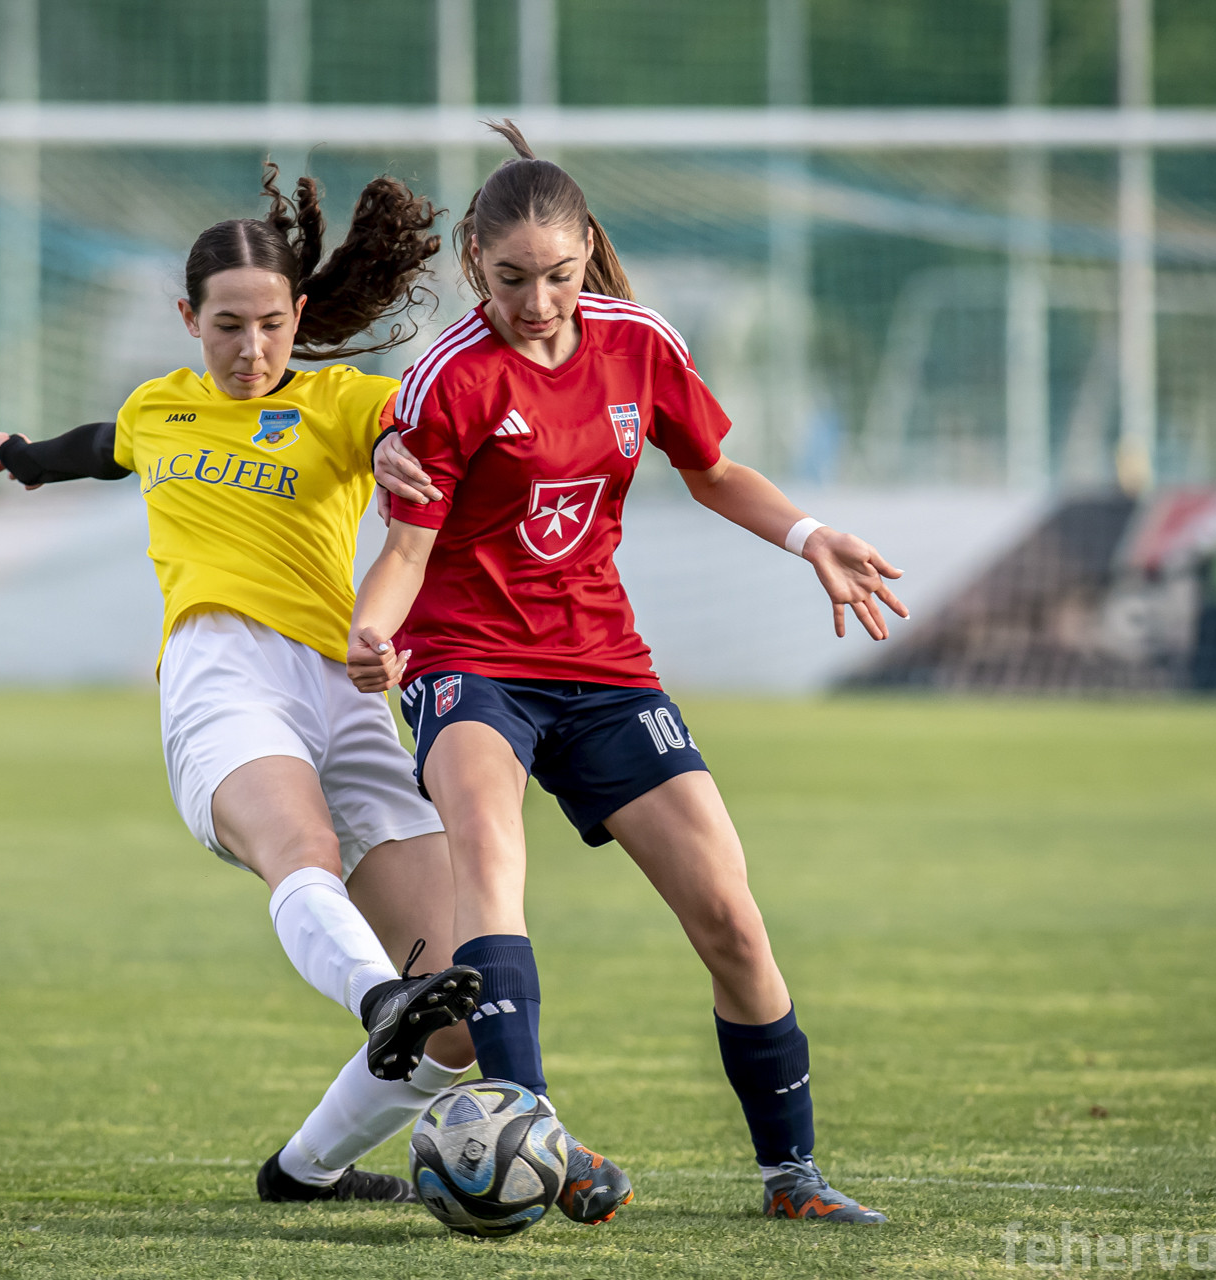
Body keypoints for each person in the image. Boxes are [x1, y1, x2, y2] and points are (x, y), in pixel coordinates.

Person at [349, 121, 905, 1225]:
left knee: (730, 917)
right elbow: (408, 550)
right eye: (513, 278)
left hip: (603, 663)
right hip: (468, 659)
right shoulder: (448, 378)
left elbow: (713, 470)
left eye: (559, 274)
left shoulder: (639, 343)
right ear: (475, 262)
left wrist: (811, 537)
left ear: (588, 250)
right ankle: (534, 1135)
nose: (538, 300)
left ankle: (791, 1177)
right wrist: (372, 633)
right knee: (488, 859)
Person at [0, 165, 482, 1204]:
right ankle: (377, 997)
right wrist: (27, 458)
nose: (251, 349)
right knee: (302, 850)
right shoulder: (158, 408)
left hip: (345, 686)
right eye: (226, 326)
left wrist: (404, 452)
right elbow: (102, 448)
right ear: (188, 319)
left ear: (298, 314)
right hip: (223, 673)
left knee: (459, 1020)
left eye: (269, 325)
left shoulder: (343, 401)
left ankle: (307, 1170)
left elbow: (423, 427)